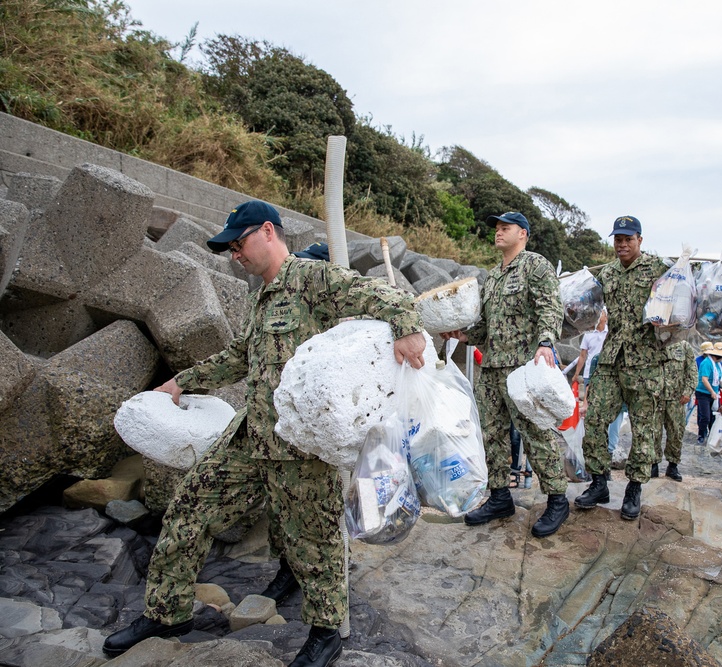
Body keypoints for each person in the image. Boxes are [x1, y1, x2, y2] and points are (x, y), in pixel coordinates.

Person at [102, 201, 427, 666]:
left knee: (314, 545)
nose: (235, 254)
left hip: (298, 449)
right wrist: (182, 382)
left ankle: (326, 633)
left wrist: (408, 328)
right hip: (249, 439)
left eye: (240, 243)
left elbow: (383, 296)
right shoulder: (264, 295)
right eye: (230, 248)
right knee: (188, 511)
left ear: (268, 232)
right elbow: (240, 356)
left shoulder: (310, 280)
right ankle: (165, 612)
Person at [440, 211, 567, 538]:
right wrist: (462, 335)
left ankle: (556, 497)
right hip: (493, 367)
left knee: (535, 434)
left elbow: (550, 307)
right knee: (489, 434)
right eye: (496, 228)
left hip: (523, 369)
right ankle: (499, 496)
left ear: (522, 233)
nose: (498, 232)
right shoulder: (493, 277)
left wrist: (546, 343)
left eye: (504, 228)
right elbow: (485, 327)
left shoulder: (535, 266)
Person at [575, 215, 670, 521]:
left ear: (640, 240)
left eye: (628, 239)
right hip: (612, 358)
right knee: (594, 420)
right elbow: (584, 303)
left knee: (644, 428)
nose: (623, 244)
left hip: (646, 362)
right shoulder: (608, 274)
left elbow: (690, 283)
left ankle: (634, 488)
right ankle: (600, 482)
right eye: (618, 239)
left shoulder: (658, 268)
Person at [655, 339, 698, 481]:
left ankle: (672, 465)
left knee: (676, 431)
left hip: (677, 398)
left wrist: (688, 391)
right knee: (654, 431)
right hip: (656, 397)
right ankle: (653, 464)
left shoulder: (684, 346)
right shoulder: (654, 343)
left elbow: (692, 370)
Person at [695, 342, 722, 444]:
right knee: (705, 416)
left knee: (713, 415)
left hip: (714, 393)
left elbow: (720, 380)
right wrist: (711, 391)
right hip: (703, 392)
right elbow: (704, 379)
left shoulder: (718, 364)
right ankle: (701, 434)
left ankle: (712, 435)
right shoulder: (706, 363)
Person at [571, 309, 608, 408]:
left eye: (602, 313)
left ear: (606, 318)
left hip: (605, 372)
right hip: (589, 372)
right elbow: (582, 355)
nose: (599, 314)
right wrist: (576, 373)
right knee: (589, 400)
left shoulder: (610, 333)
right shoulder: (588, 334)